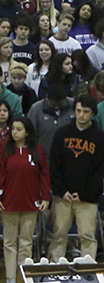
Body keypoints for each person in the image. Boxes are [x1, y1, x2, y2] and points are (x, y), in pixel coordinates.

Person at [0, 117, 50, 283]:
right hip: (9, 202)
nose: (14, 132)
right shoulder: (5, 150)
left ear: (27, 132)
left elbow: (44, 175)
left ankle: (23, 274)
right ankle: (10, 277)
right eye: (13, 129)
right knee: (9, 242)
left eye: (18, 129)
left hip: (30, 202)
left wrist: (46, 197)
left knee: (26, 241)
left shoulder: (37, 150)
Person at [48, 94, 104, 262]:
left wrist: (84, 194)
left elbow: (99, 170)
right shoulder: (62, 133)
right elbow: (55, 165)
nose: (81, 115)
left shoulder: (100, 137)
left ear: (93, 113)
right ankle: (55, 268)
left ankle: (88, 270)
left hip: (87, 198)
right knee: (59, 234)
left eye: (85, 111)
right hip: (63, 196)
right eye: (78, 111)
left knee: (87, 236)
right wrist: (61, 190)